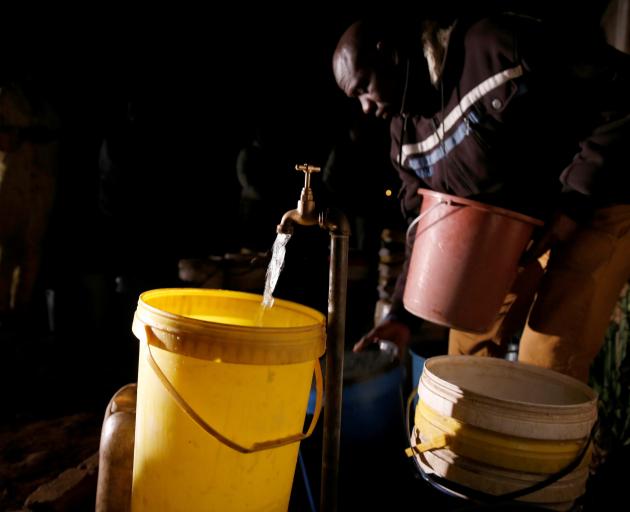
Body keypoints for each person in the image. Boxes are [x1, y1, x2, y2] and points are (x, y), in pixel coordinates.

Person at [332, 11, 630, 382]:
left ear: (388, 54)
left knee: (547, 358)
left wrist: (575, 200)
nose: (365, 108)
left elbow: (621, 87)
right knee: (466, 353)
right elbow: (426, 229)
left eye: (363, 88)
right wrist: (400, 317)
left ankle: (575, 438)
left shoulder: (494, 48)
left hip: (594, 198)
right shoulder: (404, 139)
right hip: (517, 231)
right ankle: (474, 439)